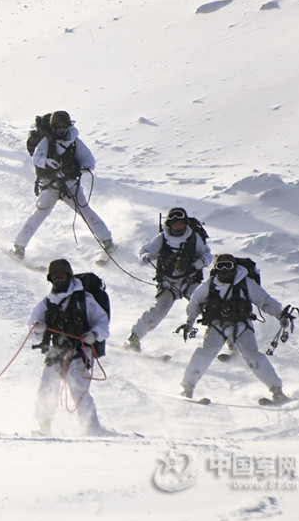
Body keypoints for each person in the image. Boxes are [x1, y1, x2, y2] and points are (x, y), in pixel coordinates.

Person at [177, 253, 291, 403]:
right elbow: (194, 304)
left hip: (241, 325)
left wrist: (280, 314)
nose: (224, 270)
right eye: (220, 266)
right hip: (217, 325)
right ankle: (188, 387)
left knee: (253, 356)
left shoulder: (245, 283)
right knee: (205, 353)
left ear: (234, 267)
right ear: (215, 269)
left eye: (228, 266)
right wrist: (189, 322)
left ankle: (277, 390)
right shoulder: (209, 285)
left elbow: (264, 300)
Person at [13, 111, 113, 259]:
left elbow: (89, 162)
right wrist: (46, 162)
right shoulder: (47, 142)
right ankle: (19, 246)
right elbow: (37, 158)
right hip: (51, 185)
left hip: (71, 186)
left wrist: (77, 170)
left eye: (63, 128)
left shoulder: (75, 142)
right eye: (57, 128)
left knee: (85, 212)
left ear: (68, 127)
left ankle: (107, 241)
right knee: (39, 214)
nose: (60, 131)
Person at [28, 259, 110, 436]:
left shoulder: (85, 299)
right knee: (46, 386)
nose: (59, 278)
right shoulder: (47, 303)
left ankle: (91, 428)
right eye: (55, 275)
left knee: (79, 389)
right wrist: (38, 329)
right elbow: (33, 328)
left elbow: (103, 324)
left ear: (69, 275)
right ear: (50, 279)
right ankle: (44, 426)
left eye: (62, 274)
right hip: (57, 350)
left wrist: (94, 335)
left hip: (81, 350)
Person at [125, 207, 213, 352]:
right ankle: (134, 338)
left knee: (207, 307)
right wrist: (146, 257)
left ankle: (222, 341)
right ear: (169, 224)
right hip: (168, 284)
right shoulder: (162, 238)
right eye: (175, 223)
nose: (178, 226)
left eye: (181, 223)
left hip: (190, 282)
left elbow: (208, 255)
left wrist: (201, 262)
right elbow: (144, 252)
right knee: (159, 310)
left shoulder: (193, 238)